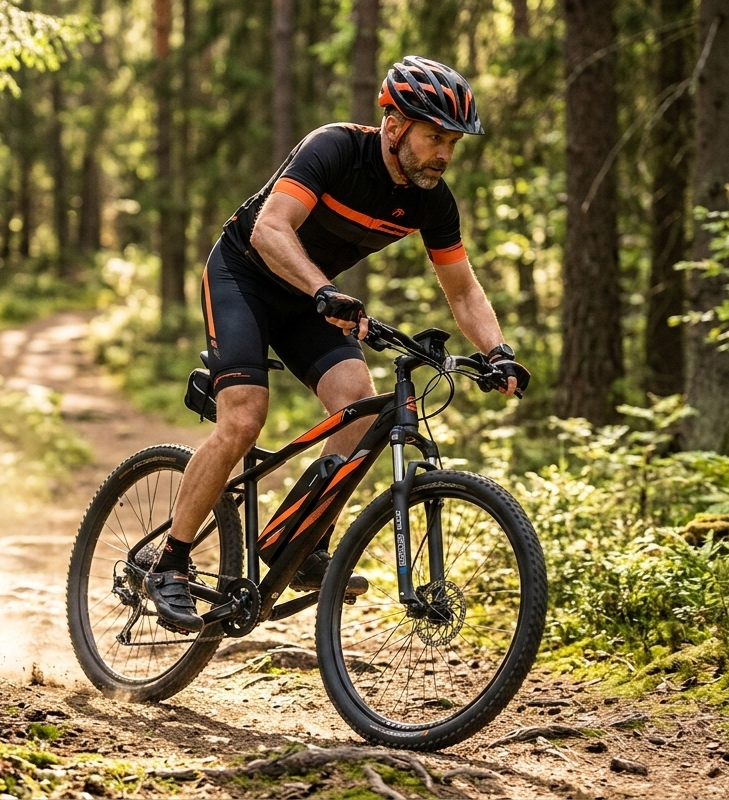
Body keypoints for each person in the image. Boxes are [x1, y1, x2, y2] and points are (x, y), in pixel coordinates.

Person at [144, 56, 531, 633]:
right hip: (244, 277)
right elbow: (270, 229)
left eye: (452, 143)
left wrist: (498, 351)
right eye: (434, 138)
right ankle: (170, 564)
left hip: (311, 298)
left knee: (359, 408)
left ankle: (296, 540)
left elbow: (463, 291)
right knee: (244, 418)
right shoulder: (335, 148)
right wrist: (324, 290)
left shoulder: (432, 200)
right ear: (394, 126)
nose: (444, 154)